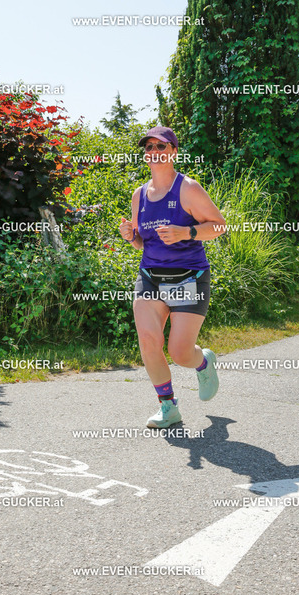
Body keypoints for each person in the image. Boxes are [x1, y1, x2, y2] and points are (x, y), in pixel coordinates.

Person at [119, 126, 227, 428]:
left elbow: (219, 226)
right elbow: (141, 242)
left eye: (161, 146)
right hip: (150, 276)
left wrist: (186, 232)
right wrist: (130, 235)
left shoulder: (188, 188)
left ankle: (203, 362)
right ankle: (168, 406)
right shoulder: (139, 195)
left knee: (179, 353)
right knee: (148, 341)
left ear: (174, 152)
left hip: (189, 277)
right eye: (149, 147)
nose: (154, 152)